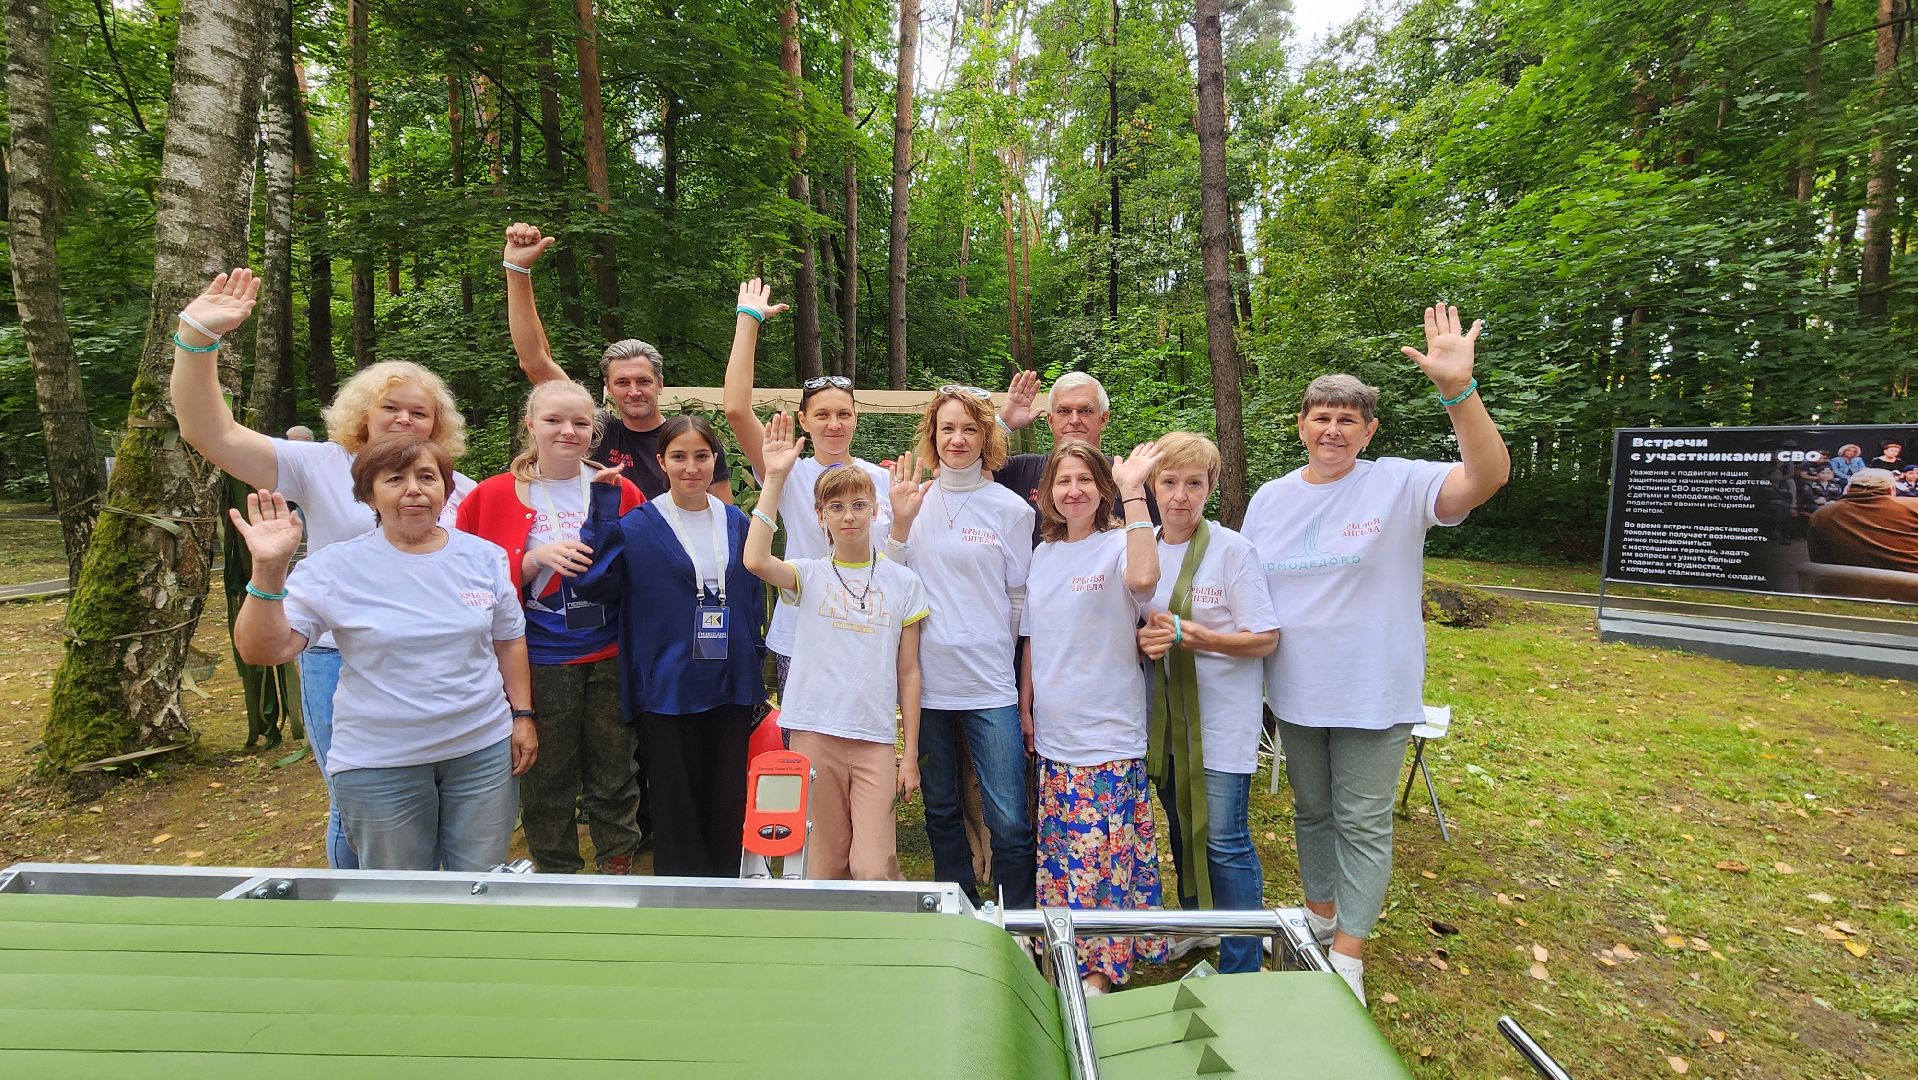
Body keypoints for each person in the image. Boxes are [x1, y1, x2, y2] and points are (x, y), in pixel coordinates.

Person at [1239, 304, 1511, 1005]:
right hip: (1294, 691)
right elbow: (1246, 590)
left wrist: (1459, 391)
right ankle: (1318, 919)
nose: (1332, 430)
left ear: (1369, 431)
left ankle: (1350, 955)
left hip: (1371, 689)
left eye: (1347, 420)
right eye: (1320, 417)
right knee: (1311, 812)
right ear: (1301, 425)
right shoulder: (1269, 499)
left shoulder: (1399, 483)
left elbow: (1486, 476)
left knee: (1361, 820)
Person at [171, 268, 477, 870]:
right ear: (363, 414)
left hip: (433, 664)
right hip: (338, 655)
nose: (405, 421)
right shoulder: (319, 464)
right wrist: (196, 342)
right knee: (355, 802)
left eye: (420, 413)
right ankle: (354, 915)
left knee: (431, 801)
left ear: (438, 427)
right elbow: (209, 432)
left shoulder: (458, 489)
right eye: (391, 408)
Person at [229, 433, 538, 871]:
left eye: (427, 477)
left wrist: (522, 716)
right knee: (402, 895)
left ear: (446, 490)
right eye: (395, 478)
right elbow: (265, 649)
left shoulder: (483, 557)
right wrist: (268, 569)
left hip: (481, 753)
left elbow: (508, 640)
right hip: (382, 763)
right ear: (368, 494)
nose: (413, 489)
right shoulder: (334, 568)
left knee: (481, 882)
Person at [455, 381, 647, 875]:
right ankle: (557, 873)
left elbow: (644, 570)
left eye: (581, 423)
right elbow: (465, 583)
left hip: (609, 653)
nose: (568, 431)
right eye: (554, 421)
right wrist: (532, 559)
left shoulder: (618, 488)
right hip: (539, 658)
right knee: (547, 777)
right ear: (530, 425)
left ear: (594, 431)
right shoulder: (492, 496)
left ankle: (618, 866)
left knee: (615, 772)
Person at [574, 415, 767, 877]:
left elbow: (751, 597)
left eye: (701, 456)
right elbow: (595, 582)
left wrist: (752, 660)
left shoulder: (737, 522)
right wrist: (602, 507)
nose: (691, 467)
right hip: (666, 683)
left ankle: (726, 885)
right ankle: (682, 896)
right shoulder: (638, 525)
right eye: (678, 457)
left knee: (726, 794)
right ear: (661, 461)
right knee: (675, 798)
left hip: (728, 679)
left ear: (715, 460)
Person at [743, 412, 926, 881]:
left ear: (875, 511)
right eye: (837, 507)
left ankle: (881, 944)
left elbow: (909, 672)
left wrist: (910, 756)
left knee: (873, 865)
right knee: (824, 861)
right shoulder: (808, 574)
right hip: (814, 731)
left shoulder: (903, 582)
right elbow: (756, 559)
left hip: (874, 739)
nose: (849, 516)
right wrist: (776, 476)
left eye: (859, 505)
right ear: (820, 516)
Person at [882, 385, 1037, 909]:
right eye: (947, 428)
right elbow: (889, 583)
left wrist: (1005, 661)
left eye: (970, 428)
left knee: (1011, 817)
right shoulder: (909, 503)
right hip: (926, 684)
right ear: (931, 435)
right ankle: (960, 908)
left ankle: (1017, 920)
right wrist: (900, 523)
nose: (958, 438)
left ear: (987, 436)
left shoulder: (1011, 509)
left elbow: (1019, 598)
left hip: (990, 683)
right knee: (941, 807)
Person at [1021, 439, 1166, 997]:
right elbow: (1035, 636)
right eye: (1063, 481)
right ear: (1047, 495)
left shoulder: (1120, 544)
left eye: (1086, 479)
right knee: (1062, 850)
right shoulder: (1044, 554)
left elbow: (1143, 582)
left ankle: (1101, 970)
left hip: (1107, 732)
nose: (1074, 490)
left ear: (1102, 488)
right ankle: (1063, 950)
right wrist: (1026, 702)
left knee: (1103, 851)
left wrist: (1135, 495)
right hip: (1057, 731)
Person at [1135, 432, 1280, 975]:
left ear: (1210, 487)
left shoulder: (1233, 551)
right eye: (1169, 482)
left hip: (1220, 722)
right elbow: (1131, 626)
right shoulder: (1140, 546)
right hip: (1165, 724)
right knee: (1181, 830)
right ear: (1152, 486)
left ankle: (1242, 962)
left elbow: (1265, 637)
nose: (1180, 496)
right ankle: (1199, 926)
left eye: (1193, 484)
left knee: (1224, 840)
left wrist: (1201, 638)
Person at [724, 280, 894, 694]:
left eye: (843, 414)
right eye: (822, 415)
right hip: (799, 634)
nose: (833, 424)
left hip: (865, 633)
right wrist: (748, 321)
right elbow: (734, 408)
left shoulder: (883, 479)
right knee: (800, 752)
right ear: (803, 421)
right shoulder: (786, 472)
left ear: (856, 418)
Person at [503, 222, 733, 503]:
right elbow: (535, 362)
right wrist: (516, 270)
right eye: (622, 382)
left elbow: (724, 516)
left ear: (660, 384)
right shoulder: (596, 431)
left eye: (644, 381)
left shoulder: (688, 438)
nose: (634, 390)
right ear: (608, 388)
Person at [995, 370, 1160, 541]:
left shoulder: (1129, 479)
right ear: (1050, 421)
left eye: (1085, 411)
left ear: (1103, 419)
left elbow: (1160, 541)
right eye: (1064, 411)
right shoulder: (1021, 471)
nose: (1074, 420)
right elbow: (969, 468)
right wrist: (1003, 424)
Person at [1807, 469, 1918, 574]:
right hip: (1910, 585)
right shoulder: (1913, 506)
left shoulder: (1822, 514)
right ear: (1891, 490)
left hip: (1847, 587)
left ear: (1849, 489)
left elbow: (1819, 562)